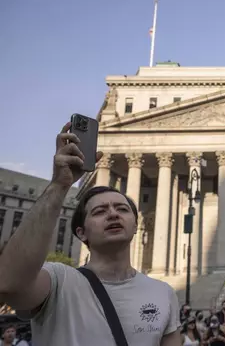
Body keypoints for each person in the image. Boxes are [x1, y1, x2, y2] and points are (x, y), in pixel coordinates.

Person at [0, 123, 180, 345]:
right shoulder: (58, 280)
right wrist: (59, 185)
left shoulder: (164, 293)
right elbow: (8, 284)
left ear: (135, 226)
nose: (113, 214)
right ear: (81, 232)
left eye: (122, 209)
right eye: (100, 211)